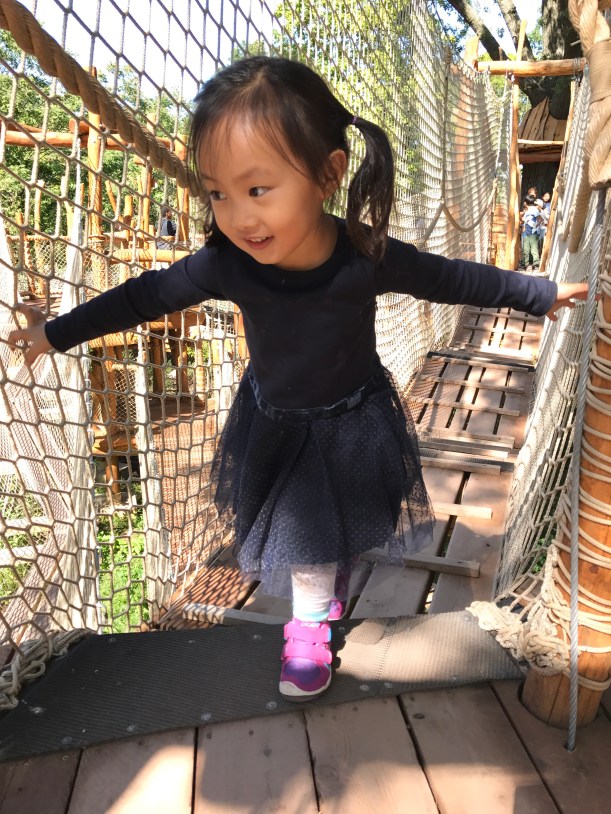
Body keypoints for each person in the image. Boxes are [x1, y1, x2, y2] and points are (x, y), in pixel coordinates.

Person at [7, 56, 587, 702]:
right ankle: (310, 621)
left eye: (257, 190)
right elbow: (144, 296)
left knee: (332, 532)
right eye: (218, 194)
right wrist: (54, 333)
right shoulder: (226, 264)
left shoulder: (364, 256)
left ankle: (315, 603)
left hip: (352, 419)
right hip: (276, 421)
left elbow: (447, 277)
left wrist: (537, 293)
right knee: (307, 539)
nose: (238, 216)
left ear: (328, 175)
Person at [521, 193, 542, 270]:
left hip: (533, 231)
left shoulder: (534, 209)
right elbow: (525, 220)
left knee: (533, 248)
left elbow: (539, 218)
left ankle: (536, 263)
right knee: (526, 248)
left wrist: (536, 226)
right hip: (526, 231)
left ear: (525, 203)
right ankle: (525, 263)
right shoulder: (528, 210)